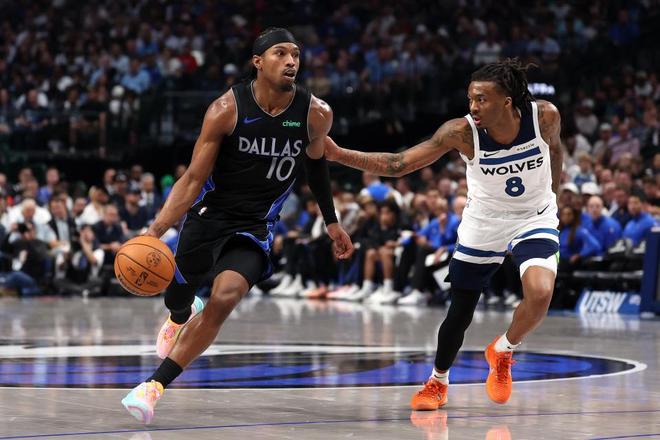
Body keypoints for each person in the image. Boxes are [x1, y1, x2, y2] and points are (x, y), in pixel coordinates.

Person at [121, 28, 354, 424]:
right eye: (280, 53)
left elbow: (316, 166)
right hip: (211, 216)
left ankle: (153, 387)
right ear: (257, 62)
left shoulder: (316, 113)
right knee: (177, 296)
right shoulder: (226, 109)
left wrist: (331, 222)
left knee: (225, 298)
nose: (291, 61)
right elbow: (193, 179)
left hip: (256, 226)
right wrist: (154, 231)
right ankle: (180, 315)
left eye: (296, 54)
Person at [324, 58, 563, 409]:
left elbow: (555, 150)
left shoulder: (544, 117)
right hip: (484, 222)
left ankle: (503, 350)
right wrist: (338, 154)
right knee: (461, 311)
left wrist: (552, 196)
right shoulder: (461, 132)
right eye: (471, 99)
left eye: (482, 99)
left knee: (540, 293)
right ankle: (438, 381)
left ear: (507, 101)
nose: (473, 106)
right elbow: (399, 164)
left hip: (534, 217)